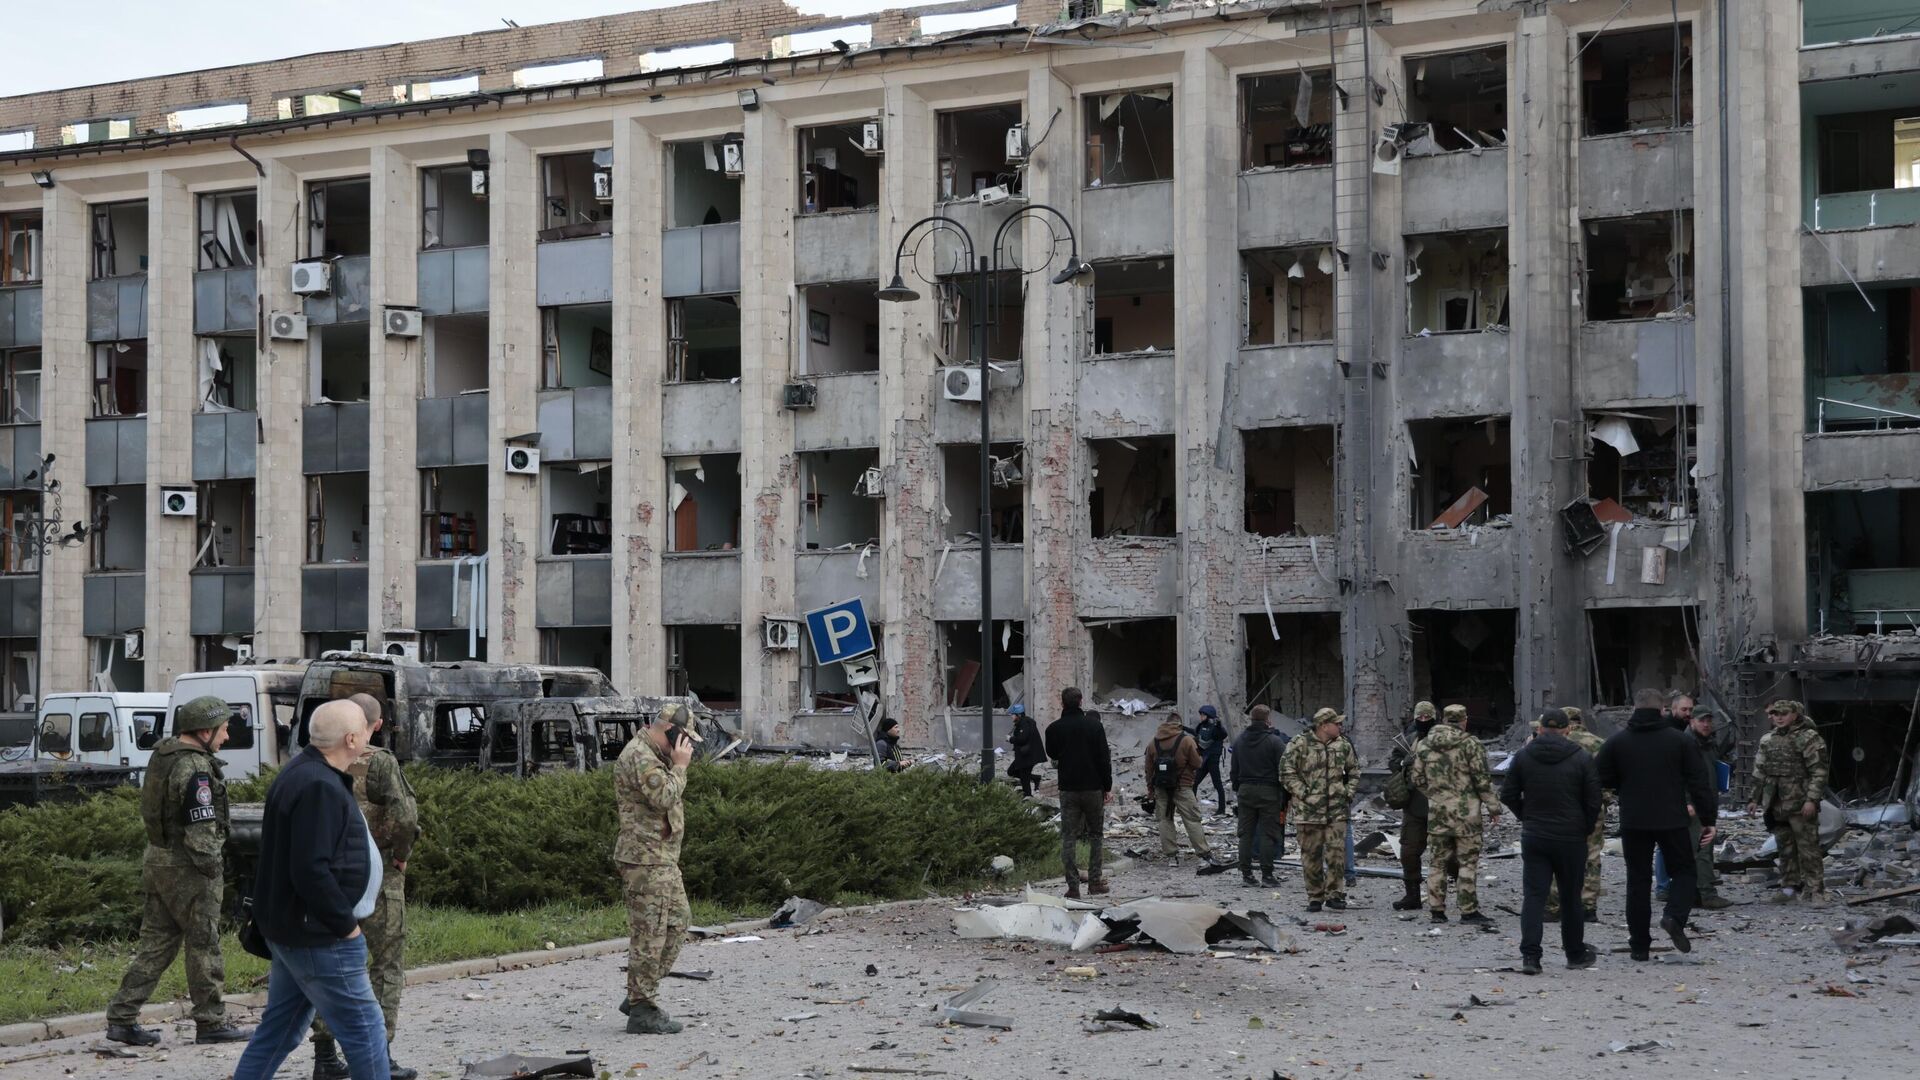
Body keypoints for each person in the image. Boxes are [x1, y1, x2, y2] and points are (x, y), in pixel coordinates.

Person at [232, 701, 390, 1080]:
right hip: (319, 935)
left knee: (280, 1030)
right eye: (367, 731)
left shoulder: (300, 772)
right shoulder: (319, 785)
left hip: (291, 930)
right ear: (352, 738)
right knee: (366, 1031)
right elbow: (310, 869)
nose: (372, 735)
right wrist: (345, 927)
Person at [105, 697, 256, 1047]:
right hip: (189, 868)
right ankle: (211, 1021)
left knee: (155, 946)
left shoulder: (164, 756)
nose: (227, 737)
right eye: (223, 729)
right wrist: (214, 869)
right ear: (205, 731)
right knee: (204, 944)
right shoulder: (195, 768)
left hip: (159, 862)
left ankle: (122, 1018)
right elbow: (201, 830)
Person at [311, 694, 421, 1080]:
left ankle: (324, 1056)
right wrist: (400, 853)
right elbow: (405, 816)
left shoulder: (314, 761)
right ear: (375, 725)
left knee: (329, 965)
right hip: (378, 878)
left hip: (327, 879)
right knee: (386, 964)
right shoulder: (380, 763)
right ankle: (380, 1054)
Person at [1596, 688, 1717, 961]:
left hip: (1634, 820)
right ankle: (1674, 916)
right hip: (1671, 818)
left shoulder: (1617, 742)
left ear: (1633, 708)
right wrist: (1708, 820)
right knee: (1684, 872)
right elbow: (1700, 783)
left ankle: (1639, 946)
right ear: (1662, 710)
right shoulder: (1679, 741)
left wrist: (1625, 785)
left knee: (1637, 882)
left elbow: (1599, 776)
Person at [614, 702, 698, 1034]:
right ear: (668, 731)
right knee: (650, 934)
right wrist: (680, 766)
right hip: (644, 859)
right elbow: (663, 797)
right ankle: (642, 1008)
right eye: (683, 738)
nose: (686, 746)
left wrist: (675, 763)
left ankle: (639, 992)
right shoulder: (639, 756)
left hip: (661, 857)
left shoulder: (654, 754)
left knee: (678, 923)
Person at [1500, 710, 1602, 975]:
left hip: (1535, 835)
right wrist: (1584, 827)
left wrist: (1527, 816)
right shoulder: (1581, 757)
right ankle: (1575, 954)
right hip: (1570, 837)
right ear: (1568, 729)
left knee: (1534, 896)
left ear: (1541, 729)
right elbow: (1594, 800)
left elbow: (1508, 793)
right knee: (1571, 897)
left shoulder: (1523, 756)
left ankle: (1531, 957)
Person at [1410, 704, 1497, 926]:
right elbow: (1482, 780)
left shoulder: (1425, 744)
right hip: (1467, 814)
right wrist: (1494, 807)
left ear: (1443, 719)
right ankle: (1468, 910)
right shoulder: (1471, 744)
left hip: (1438, 812)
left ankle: (1437, 911)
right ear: (1464, 720)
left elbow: (1417, 778)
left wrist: (1435, 796)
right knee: (1467, 861)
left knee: (1437, 862)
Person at [1749, 699, 1830, 903]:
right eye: (1775, 713)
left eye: (1784, 713)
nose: (1779, 717)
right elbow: (1759, 771)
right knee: (1785, 848)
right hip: (1777, 803)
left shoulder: (1809, 738)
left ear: (1795, 715)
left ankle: (1816, 890)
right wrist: (1754, 798)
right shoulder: (1768, 740)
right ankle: (1789, 888)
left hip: (1800, 802)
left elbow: (1819, 772)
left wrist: (1811, 799)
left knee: (1808, 848)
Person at [1279, 707, 1360, 911]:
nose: (1340, 726)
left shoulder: (1343, 745)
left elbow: (1354, 771)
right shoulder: (1300, 744)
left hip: (1336, 810)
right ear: (1324, 726)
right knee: (1311, 855)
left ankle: (1335, 894)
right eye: (1337, 723)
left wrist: (1347, 792)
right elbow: (1286, 772)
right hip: (1308, 812)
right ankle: (1315, 897)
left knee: (1336, 854)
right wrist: (1304, 794)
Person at [1657, 708, 1733, 910]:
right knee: (1701, 850)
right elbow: (1677, 776)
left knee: (1699, 849)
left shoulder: (1707, 743)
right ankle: (1705, 894)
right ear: (1692, 722)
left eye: (1709, 721)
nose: (1706, 724)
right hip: (1695, 806)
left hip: (1706, 803)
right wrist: (1687, 801)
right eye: (1702, 721)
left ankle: (1694, 893)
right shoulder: (1685, 744)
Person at [1045, 687, 1112, 900]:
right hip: (1093, 788)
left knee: (1068, 838)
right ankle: (1094, 882)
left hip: (1068, 789)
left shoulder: (1054, 729)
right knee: (1096, 836)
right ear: (1081, 701)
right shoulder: (1094, 726)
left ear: (1062, 703)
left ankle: (1073, 886)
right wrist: (1107, 786)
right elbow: (1104, 758)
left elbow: (1053, 754)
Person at [1546, 706, 1606, 924]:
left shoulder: (1555, 743)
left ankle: (1554, 906)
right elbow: (1607, 780)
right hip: (1592, 807)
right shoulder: (1599, 743)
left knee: (1556, 855)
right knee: (1591, 856)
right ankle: (1588, 907)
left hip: (1560, 807)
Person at [1388, 702, 1442, 911]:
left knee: (1446, 856)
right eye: (1419, 718)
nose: (1423, 722)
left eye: (1427, 718)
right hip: (1414, 807)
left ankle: (1447, 897)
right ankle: (1412, 895)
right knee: (1409, 853)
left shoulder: (1442, 741)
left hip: (1441, 807)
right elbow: (1394, 761)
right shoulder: (1410, 741)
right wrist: (1405, 764)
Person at [1229, 705, 1289, 887]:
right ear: (1267, 720)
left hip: (1245, 790)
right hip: (1269, 792)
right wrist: (1285, 793)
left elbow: (1234, 770)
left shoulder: (1239, 741)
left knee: (1245, 834)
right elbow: (1284, 770)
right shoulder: (1275, 742)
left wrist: (1239, 787)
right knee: (1268, 833)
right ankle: (1267, 875)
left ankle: (1246, 875)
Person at [1145, 712, 1216, 862]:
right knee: (1192, 819)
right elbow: (1198, 764)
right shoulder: (1187, 740)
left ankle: (1171, 856)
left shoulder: (1153, 742)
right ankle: (1204, 853)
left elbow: (1149, 769)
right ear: (1179, 724)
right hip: (1183, 786)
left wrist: (1150, 790)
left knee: (1164, 820)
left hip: (1161, 787)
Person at [1189, 705, 1231, 814]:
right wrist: (1183, 728)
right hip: (1203, 760)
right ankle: (1192, 807)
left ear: (1209, 716)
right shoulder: (1202, 726)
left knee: (1217, 784)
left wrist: (1219, 726)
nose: (1201, 717)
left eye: (1203, 715)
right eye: (1201, 714)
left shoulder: (1216, 728)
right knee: (1194, 783)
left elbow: (1223, 734)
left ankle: (1221, 809)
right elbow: (1196, 733)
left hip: (1212, 760)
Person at [1006, 704, 1044, 797]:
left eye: (1013, 715)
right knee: (1012, 771)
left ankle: (1028, 796)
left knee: (1024, 777)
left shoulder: (1024, 724)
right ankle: (1035, 779)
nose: (1011, 717)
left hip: (1027, 755)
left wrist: (1010, 739)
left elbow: (1023, 738)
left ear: (1018, 715)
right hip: (1025, 754)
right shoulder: (1023, 722)